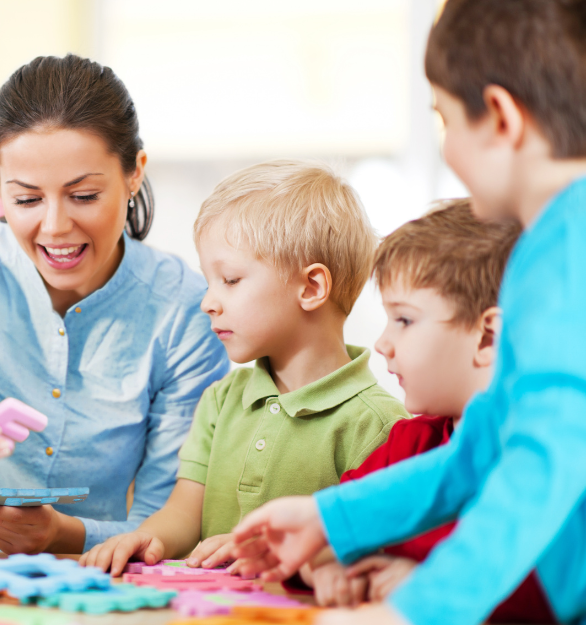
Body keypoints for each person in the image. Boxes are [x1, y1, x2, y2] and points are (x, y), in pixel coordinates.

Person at [230, 1, 586, 623]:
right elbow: (483, 448)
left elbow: (553, 456)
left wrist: (415, 611)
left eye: (446, 120)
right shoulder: (544, 247)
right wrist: (329, 517)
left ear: (500, 117)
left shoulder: (570, 249)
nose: (446, 150)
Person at [0, 54, 229, 554]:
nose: (55, 227)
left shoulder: (183, 308)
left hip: (93, 573)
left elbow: (167, 518)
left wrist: (67, 535)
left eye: (83, 195)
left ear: (134, 173)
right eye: (27, 200)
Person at [79, 160, 409, 575]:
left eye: (230, 280)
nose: (208, 302)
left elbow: (372, 551)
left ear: (311, 287)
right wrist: (149, 536)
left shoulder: (379, 426)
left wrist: (267, 551)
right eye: (209, 281)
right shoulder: (221, 400)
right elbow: (185, 514)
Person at [301, 200, 553, 622]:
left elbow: (545, 587)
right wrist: (327, 567)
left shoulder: (543, 458)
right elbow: (320, 527)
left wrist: (426, 584)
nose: (381, 343)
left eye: (404, 320)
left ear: (487, 336)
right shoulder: (407, 442)